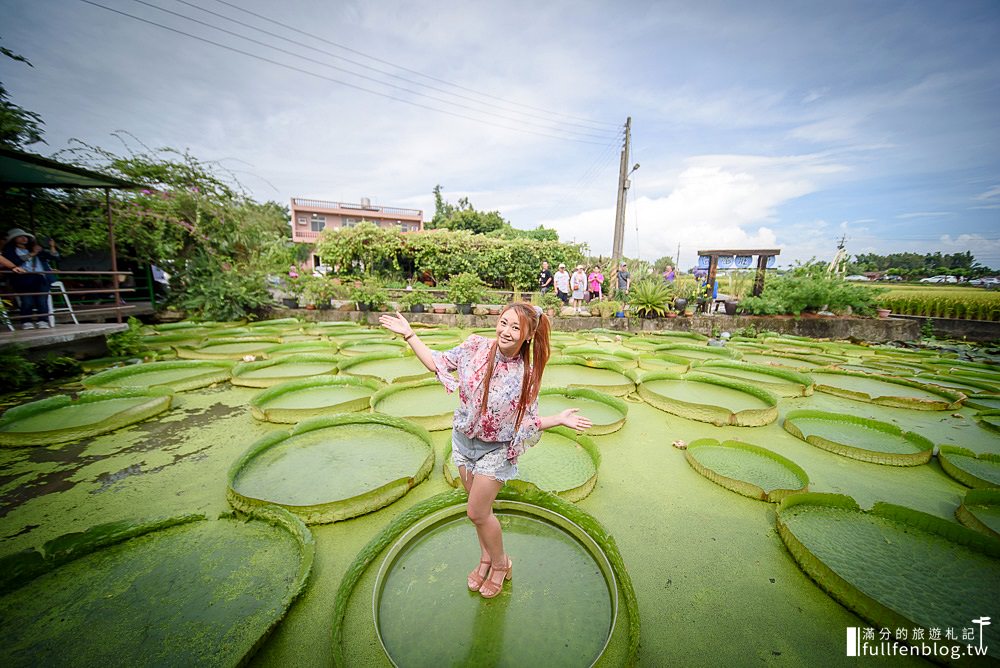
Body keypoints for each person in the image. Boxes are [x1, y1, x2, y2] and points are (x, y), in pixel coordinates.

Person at [379, 304, 592, 599]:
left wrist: (559, 419)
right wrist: (410, 334)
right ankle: (485, 558)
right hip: (464, 443)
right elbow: (436, 362)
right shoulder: (475, 347)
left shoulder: (526, 374)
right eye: (503, 323)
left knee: (475, 511)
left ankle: (502, 563)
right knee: (482, 513)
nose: (506, 331)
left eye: (516, 328)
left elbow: (527, 422)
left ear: (528, 335)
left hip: (496, 451)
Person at [2, 228, 56, 329]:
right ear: (14, 239)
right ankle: (26, 321)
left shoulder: (35, 249)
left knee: (42, 300)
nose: (24, 238)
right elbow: (14, 262)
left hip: (40, 277)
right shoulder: (10, 252)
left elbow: (54, 257)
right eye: (20, 237)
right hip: (23, 278)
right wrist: (32, 254)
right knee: (27, 301)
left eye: (25, 236)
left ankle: (43, 321)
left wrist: (52, 246)